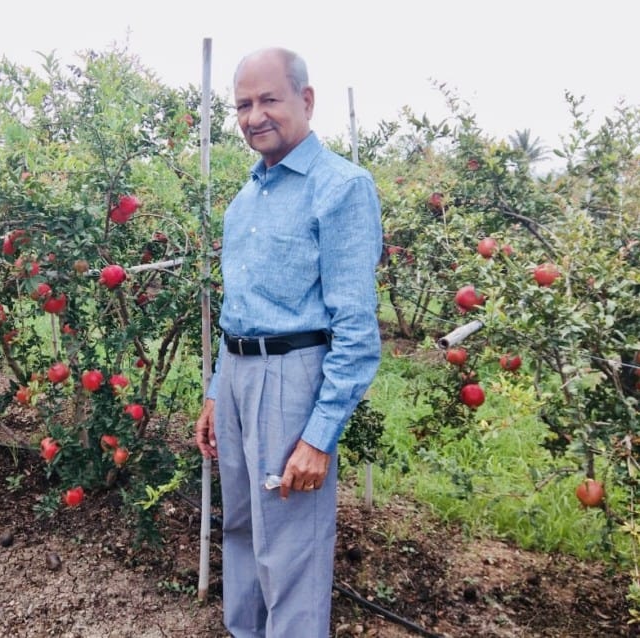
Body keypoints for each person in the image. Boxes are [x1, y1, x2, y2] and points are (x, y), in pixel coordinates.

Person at [194, 47, 383, 638]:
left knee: (292, 549)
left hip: (294, 378)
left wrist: (319, 436)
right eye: (243, 105)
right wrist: (216, 392)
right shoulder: (245, 200)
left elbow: (355, 329)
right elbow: (238, 310)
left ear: (305, 100)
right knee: (244, 529)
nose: (254, 117)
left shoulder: (342, 188)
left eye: (268, 100)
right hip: (239, 374)